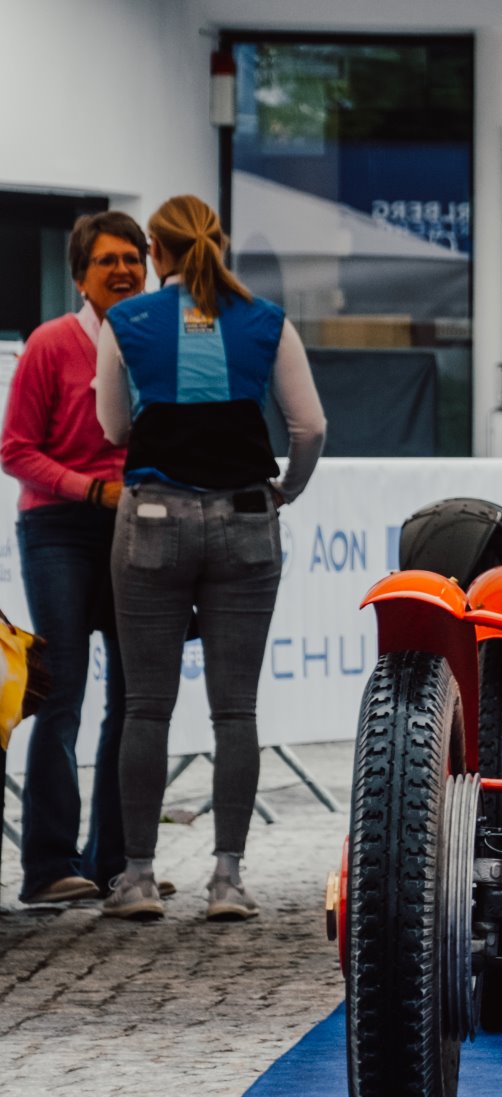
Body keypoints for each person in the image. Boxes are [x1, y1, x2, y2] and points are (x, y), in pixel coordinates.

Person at [93, 194, 326, 922]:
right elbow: (309, 424)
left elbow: (112, 428)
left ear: (155, 254)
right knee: (235, 710)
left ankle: (135, 878)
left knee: (145, 706)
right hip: (246, 519)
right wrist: (286, 488)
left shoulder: (125, 322)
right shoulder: (266, 321)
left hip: (154, 519)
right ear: (219, 245)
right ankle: (227, 879)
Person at [0, 212, 148, 905]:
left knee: (132, 698)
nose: (123, 269)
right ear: (79, 275)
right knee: (62, 694)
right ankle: (49, 865)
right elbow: (15, 450)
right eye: (108, 260)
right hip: (60, 526)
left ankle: (119, 864)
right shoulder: (49, 344)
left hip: (135, 526)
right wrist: (89, 489)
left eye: (134, 258)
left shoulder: (158, 341)